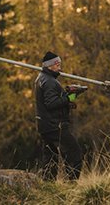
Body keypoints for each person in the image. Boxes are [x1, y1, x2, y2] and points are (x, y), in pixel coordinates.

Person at [34, 51, 83, 180]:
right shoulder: (49, 81)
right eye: (57, 64)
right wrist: (69, 98)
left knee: (50, 157)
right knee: (74, 153)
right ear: (50, 66)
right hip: (55, 125)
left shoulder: (41, 78)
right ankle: (71, 184)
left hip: (45, 126)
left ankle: (48, 185)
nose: (60, 67)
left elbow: (50, 102)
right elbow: (51, 104)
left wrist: (66, 101)